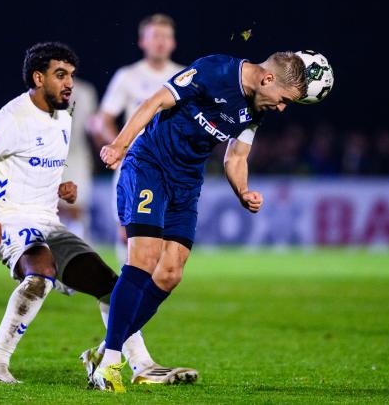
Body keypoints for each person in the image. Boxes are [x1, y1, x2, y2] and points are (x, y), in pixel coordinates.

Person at [0, 42, 196, 386]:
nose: (69, 83)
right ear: (38, 78)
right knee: (40, 273)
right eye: (60, 75)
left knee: (114, 288)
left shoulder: (63, 115)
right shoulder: (10, 119)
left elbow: (33, 164)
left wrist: (61, 186)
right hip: (8, 219)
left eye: (71, 75)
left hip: (49, 223)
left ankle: (141, 365)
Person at [90, 51, 308, 392]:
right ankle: (109, 365)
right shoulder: (215, 71)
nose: (282, 108)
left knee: (171, 273)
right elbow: (155, 102)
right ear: (268, 79)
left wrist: (243, 191)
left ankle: (104, 351)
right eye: (283, 100)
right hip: (151, 166)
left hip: (187, 183)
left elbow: (236, 156)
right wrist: (119, 144)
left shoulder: (256, 109)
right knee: (143, 261)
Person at [90, 13, 183, 266]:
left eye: (166, 36)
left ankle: (144, 297)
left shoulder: (183, 76)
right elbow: (103, 119)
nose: (161, 42)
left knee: (165, 239)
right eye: (155, 36)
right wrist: (120, 147)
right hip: (136, 164)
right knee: (128, 234)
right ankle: (124, 296)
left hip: (170, 168)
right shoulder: (128, 76)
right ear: (142, 41)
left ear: (173, 43)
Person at [58, 77, 98, 239]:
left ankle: (79, 250)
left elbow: (92, 126)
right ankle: (55, 248)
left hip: (78, 155)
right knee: (53, 207)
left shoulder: (86, 91)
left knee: (78, 206)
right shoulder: (44, 89)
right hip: (49, 155)